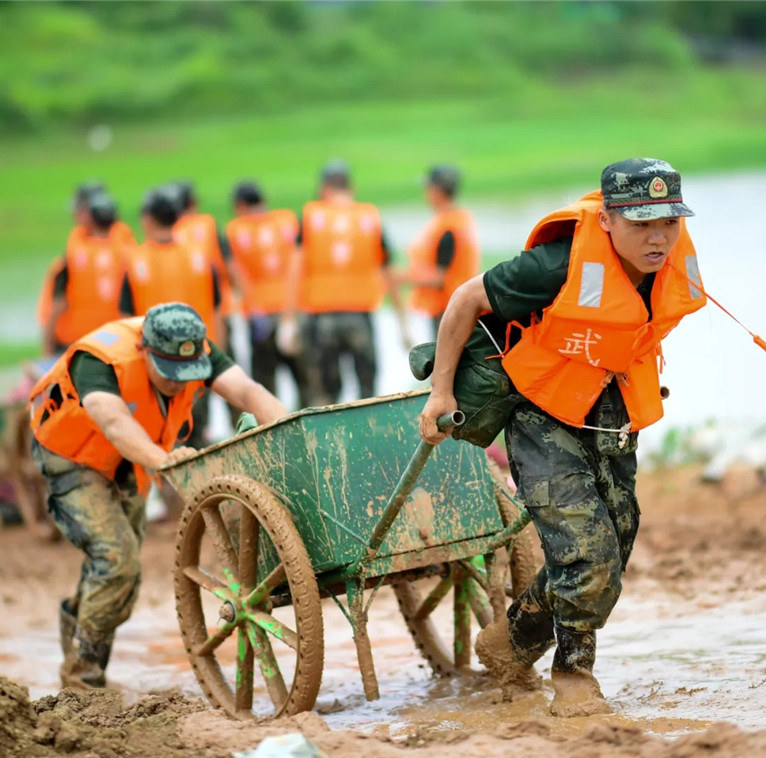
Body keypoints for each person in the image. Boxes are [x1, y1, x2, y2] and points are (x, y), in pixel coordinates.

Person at [419, 159, 708, 717]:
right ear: (607, 220)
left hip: (611, 411)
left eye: (668, 223)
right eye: (641, 223)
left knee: (614, 546)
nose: (658, 238)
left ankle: (515, 641)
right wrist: (440, 394)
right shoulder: (553, 265)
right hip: (541, 411)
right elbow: (464, 301)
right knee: (587, 552)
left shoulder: (666, 264)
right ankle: (574, 675)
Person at [28, 302, 287, 689]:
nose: (179, 383)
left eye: (188, 374)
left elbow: (249, 392)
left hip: (129, 460)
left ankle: (78, 642)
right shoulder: (97, 362)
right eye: (170, 374)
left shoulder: (195, 345)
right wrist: (167, 462)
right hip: (72, 457)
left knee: (121, 578)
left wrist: (289, 434)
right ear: (145, 351)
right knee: (117, 561)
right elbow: (115, 423)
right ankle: (82, 678)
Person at [282, 160, 410, 408]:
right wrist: (402, 322)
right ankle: (368, 443)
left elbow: (295, 271)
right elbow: (389, 272)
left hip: (321, 320)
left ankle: (327, 445)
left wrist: (288, 320)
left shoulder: (310, 216)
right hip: (359, 316)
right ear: (351, 186)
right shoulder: (369, 216)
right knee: (368, 392)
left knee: (324, 398)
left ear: (323, 188)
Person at [120, 187, 225, 448]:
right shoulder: (200, 256)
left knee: (162, 446)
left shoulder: (135, 260)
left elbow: (125, 319)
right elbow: (218, 309)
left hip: (157, 366)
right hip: (199, 361)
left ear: (148, 219)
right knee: (199, 441)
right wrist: (217, 357)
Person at [225, 180, 304, 403]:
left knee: (265, 382)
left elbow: (234, 274)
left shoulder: (236, 230)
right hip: (290, 308)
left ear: (240, 205)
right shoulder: (286, 220)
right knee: (304, 376)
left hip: (259, 312)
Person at [40, 181, 137, 355]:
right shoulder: (131, 249)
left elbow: (55, 307)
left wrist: (47, 352)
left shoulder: (73, 255)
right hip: (115, 343)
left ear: (89, 214)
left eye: (79, 211)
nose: (75, 215)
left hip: (87, 344)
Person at [400, 166, 479, 335]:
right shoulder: (458, 220)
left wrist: (402, 277)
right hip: (458, 307)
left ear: (436, 191)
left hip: (449, 311)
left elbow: (441, 277)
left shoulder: (448, 228)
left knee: (444, 360)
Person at [172, 181, 237, 341]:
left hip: (185, 309)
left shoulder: (171, 229)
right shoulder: (208, 223)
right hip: (220, 304)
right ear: (193, 202)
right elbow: (228, 261)